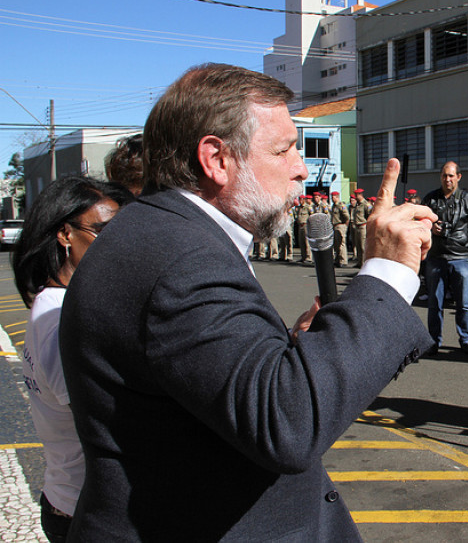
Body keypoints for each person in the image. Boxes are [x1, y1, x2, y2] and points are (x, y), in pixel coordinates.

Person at [57, 63, 437, 541]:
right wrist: (388, 272)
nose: (301, 167)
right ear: (216, 159)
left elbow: (217, 379)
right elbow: (287, 421)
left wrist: (302, 347)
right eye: (283, 150)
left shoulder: (159, 233)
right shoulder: (181, 258)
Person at [12, 176, 132, 543]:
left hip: (75, 499)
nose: (116, 244)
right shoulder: (61, 318)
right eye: (102, 231)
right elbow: (104, 422)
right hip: (85, 509)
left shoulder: (57, 303)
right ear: (65, 234)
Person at [421, 161, 468, 355]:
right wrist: (430, 227)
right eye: (444, 176)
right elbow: (419, 225)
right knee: (434, 303)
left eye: (451, 175)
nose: (447, 179)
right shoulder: (430, 199)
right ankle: (433, 341)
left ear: (458, 177)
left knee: (464, 304)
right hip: (436, 257)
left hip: (461, 258)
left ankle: (465, 339)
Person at [351, 188, 371, 267]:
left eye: (356, 195)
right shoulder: (357, 204)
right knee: (358, 246)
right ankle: (359, 262)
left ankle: (364, 264)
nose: (355, 197)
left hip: (363, 226)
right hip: (357, 227)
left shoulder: (366, 204)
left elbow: (369, 216)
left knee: (363, 247)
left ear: (360, 195)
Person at [330, 191, 350, 266]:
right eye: (331, 197)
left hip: (340, 225)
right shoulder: (334, 206)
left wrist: (344, 225)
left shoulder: (341, 205)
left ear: (337, 197)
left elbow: (346, 216)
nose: (332, 198)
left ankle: (343, 261)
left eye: (333, 197)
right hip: (335, 226)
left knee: (341, 244)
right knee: (336, 244)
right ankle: (338, 259)